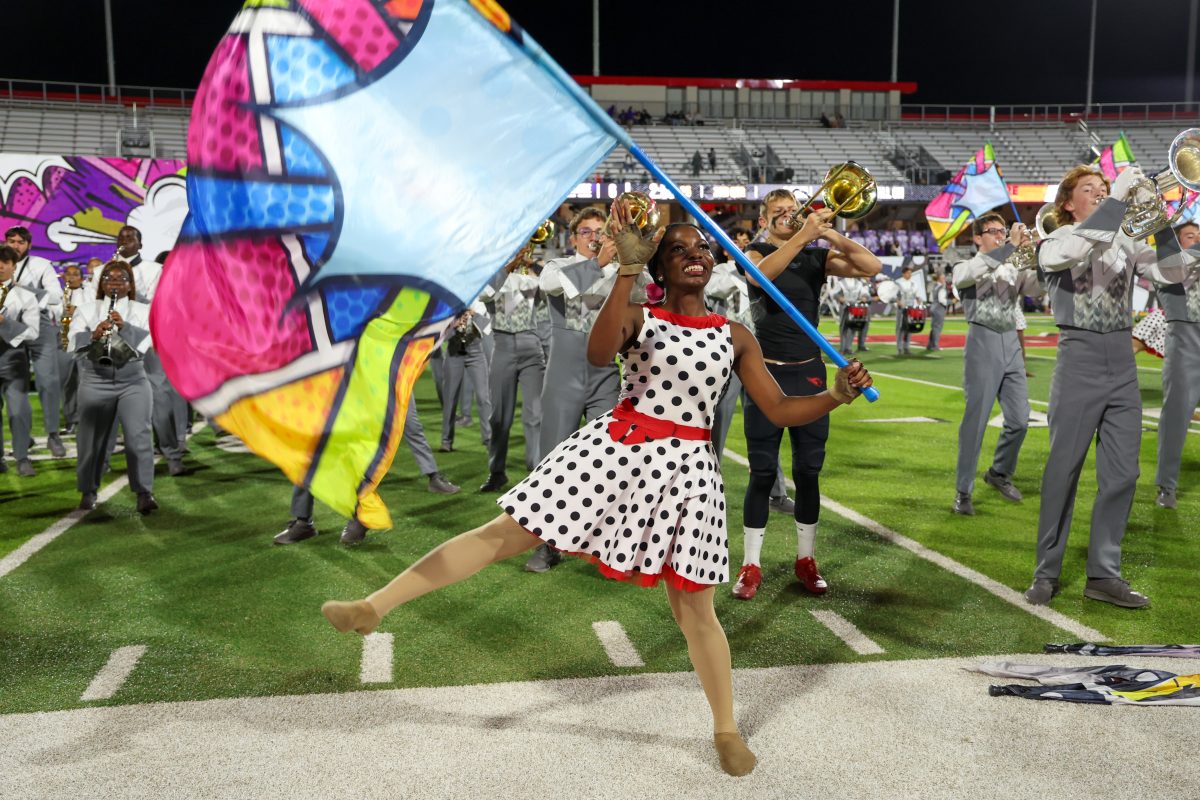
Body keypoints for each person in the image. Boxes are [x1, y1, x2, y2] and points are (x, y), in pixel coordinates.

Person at [320, 210, 873, 778]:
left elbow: (779, 408)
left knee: (696, 609)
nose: (695, 254)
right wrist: (628, 271)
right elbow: (597, 350)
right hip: (617, 449)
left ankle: (725, 729)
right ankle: (373, 607)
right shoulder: (641, 314)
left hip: (688, 471)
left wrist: (834, 395)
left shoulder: (735, 335)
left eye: (702, 247)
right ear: (660, 265)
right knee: (505, 534)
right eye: (679, 248)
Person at [1027, 165, 1188, 609]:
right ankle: (1046, 572)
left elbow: (1174, 275)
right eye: (1090, 190)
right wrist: (1117, 198)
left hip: (1121, 360)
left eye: (1104, 189)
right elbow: (1079, 246)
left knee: (1123, 474)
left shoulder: (1124, 241)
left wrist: (1161, 221)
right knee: (1064, 471)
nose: (1100, 194)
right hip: (1077, 358)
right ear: (1067, 202)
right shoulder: (1058, 238)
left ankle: (1103, 573)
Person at [731, 189, 881, 601]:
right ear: (764, 220)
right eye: (777, 212)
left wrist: (828, 234)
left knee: (809, 471)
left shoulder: (816, 256)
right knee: (762, 471)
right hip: (767, 375)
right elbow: (758, 278)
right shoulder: (755, 252)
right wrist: (803, 235)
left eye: (792, 211)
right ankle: (751, 564)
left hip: (810, 374)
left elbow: (872, 265)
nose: (787, 216)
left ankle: (806, 559)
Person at [528, 207, 633, 572]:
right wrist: (600, 263)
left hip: (606, 373)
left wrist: (627, 255)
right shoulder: (557, 266)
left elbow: (651, 290)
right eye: (585, 231)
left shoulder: (620, 269)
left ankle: (606, 544)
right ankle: (547, 542)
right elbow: (550, 287)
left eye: (598, 231)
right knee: (553, 460)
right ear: (572, 238)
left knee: (610, 459)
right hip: (563, 374)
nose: (592, 237)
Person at [951, 213, 1042, 516]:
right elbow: (967, 277)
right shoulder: (966, 266)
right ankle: (963, 491)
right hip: (983, 342)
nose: (1001, 236)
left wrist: (1042, 253)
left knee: (1019, 419)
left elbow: (1038, 288)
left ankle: (999, 472)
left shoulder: (1011, 265)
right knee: (975, 422)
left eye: (1003, 232)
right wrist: (1009, 248)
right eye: (993, 232)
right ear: (977, 238)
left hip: (1011, 345)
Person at [275, 397, 461, 545]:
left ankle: (432, 476)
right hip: (337, 369)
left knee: (403, 427)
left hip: (381, 367)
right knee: (314, 443)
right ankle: (303, 520)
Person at [68, 260, 157, 514]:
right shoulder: (86, 309)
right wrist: (92, 336)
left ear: (130, 285)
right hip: (96, 378)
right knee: (91, 439)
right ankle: (88, 490)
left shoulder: (142, 309)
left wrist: (125, 328)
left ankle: (144, 492)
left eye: (121, 279)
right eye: (109, 278)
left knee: (138, 436)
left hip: (133, 379)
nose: (114, 282)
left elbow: (149, 340)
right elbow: (72, 344)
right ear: (101, 283)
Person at [478, 248, 546, 491]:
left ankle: (537, 470)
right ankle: (497, 472)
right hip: (503, 347)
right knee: (499, 417)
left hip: (531, 347)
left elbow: (552, 283)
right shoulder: (492, 280)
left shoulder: (531, 280)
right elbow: (485, 294)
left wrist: (531, 262)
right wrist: (508, 265)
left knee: (535, 414)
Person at [5, 226, 65, 458]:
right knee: (13, 385)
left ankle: (53, 435)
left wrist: (21, 288)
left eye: (21, 242)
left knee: (48, 381)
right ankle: (23, 437)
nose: (16, 246)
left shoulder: (41, 265)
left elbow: (55, 296)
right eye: (11, 241)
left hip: (39, 324)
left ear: (29, 245)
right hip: (7, 323)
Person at [1152, 220, 1200, 509]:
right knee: (1176, 418)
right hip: (1185, 347)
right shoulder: (1166, 264)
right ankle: (1166, 485)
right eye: (1190, 236)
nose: (1195, 240)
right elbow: (1176, 263)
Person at [0, 245, 41, 476]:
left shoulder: (25, 296)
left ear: (14, 267)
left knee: (18, 411)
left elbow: (33, 332)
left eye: (5, 262)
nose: (0, 266)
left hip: (13, 357)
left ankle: (22, 458)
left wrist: (6, 323)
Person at [58, 263, 89, 436]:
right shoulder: (58, 294)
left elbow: (96, 310)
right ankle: (71, 420)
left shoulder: (89, 292)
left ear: (81, 277)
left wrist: (77, 310)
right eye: (68, 274)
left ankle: (86, 418)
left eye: (75, 274)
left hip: (84, 340)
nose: (71, 277)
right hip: (63, 340)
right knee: (67, 382)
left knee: (85, 381)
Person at [836, 276, 871, 356]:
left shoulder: (859, 283)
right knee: (843, 328)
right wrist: (840, 298)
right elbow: (836, 294)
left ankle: (848, 348)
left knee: (852, 327)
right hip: (844, 307)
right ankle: (842, 348)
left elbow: (864, 293)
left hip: (855, 307)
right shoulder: (841, 282)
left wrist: (864, 297)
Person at [893, 265, 921, 355]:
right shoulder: (898, 283)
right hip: (901, 309)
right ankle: (899, 348)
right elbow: (894, 296)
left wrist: (919, 301)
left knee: (909, 328)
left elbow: (917, 295)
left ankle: (907, 347)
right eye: (908, 273)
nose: (910, 275)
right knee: (900, 328)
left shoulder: (914, 284)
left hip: (910, 309)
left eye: (910, 273)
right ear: (903, 273)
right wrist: (899, 303)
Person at [926, 269, 949, 352]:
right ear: (939, 278)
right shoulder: (941, 288)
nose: (944, 279)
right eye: (943, 278)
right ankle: (935, 346)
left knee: (934, 327)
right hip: (939, 309)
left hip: (933, 308)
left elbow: (931, 298)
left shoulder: (935, 286)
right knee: (937, 328)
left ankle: (930, 345)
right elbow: (942, 300)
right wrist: (950, 302)